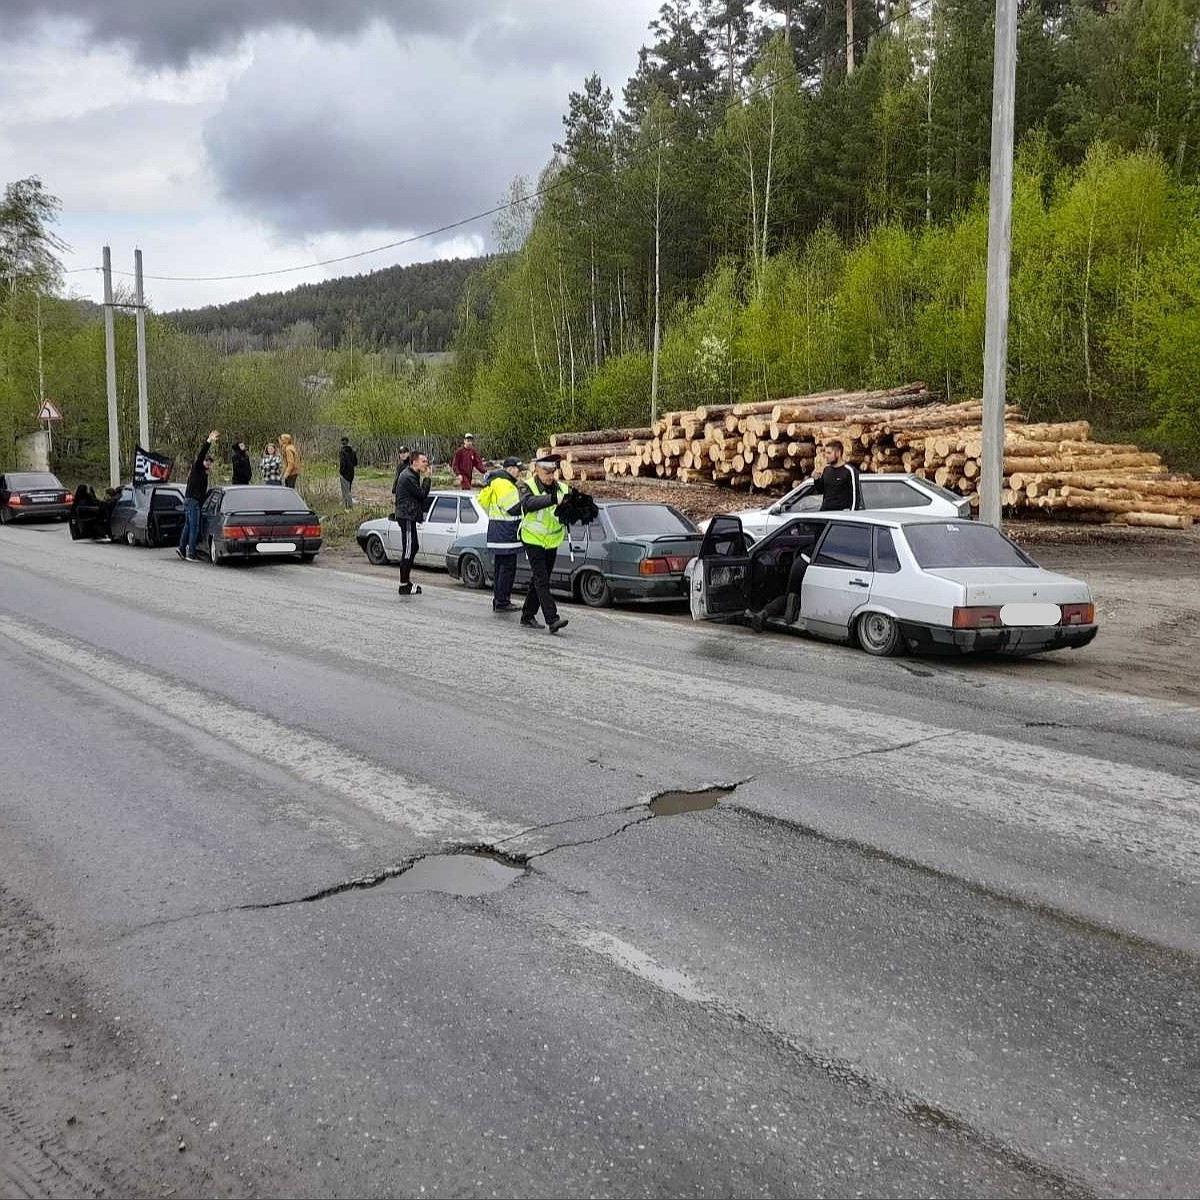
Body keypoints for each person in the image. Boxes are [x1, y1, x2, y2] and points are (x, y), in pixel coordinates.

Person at [516, 454, 569, 634]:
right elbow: (528, 504)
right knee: (542, 579)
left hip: (552, 540)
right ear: (536, 471)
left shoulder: (562, 487)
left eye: (553, 472)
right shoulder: (525, 485)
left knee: (538, 579)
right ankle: (552, 619)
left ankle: (527, 615)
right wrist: (554, 499)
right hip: (532, 539)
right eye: (546, 472)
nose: (550, 476)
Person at [745, 524, 820, 633]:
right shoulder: (837, 528)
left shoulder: (826, 521)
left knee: (789, 593)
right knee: (796, 593)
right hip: (812, 562)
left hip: (802, 560)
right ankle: (793, 606)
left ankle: (764, 613)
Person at [478, 457, 524, 612]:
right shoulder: (505, 484)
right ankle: (502, 601)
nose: (519, 473)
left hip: (498, 532)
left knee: (500, 568)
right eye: (519, 470)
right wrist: (527, 502)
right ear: (510, 469)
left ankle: (499, 600)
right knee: (507, 569)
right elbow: (514, 508)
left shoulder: (496, 482)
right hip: (506, 533)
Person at [392, 449, 431, 596]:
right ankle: (404, 585)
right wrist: (427, 479)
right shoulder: (408, 476)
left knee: (414, 546)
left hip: (410, 515)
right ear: (415, 462)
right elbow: (422, 494)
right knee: (408, 549)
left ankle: (407, 581)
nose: (426, 464)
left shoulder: (413, 474)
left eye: (426, 461)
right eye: (423, 461)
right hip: (406, 516)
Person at [177, 430, 218, 561]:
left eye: (209, 462)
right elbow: (201, 454)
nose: (208, 463)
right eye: (206, 461)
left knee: (188, 526)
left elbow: (203, 493)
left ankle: (182, 549)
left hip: (190, 500)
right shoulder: (198, 468)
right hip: (192, 501)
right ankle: (192, 553)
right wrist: (209, 440)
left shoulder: (203, 474)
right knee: (194, 527)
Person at [810, 440, 860, 511]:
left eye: (829, 453)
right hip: (825, 513)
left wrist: (851, 514)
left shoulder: (849, 470)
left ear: (838, 453)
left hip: (840, 515)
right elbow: (821, 490)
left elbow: (855, 496)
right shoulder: (826, 470)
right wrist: (816, 479)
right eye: (825, 453)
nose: (826, 456)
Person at [338, 436, 358, 508]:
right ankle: (348, 505)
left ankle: (348, 506)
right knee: (349, 489)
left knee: (345, 491)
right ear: (348, 442)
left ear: (342, 443)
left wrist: (341, 472)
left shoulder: (342, 452)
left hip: (344, 474)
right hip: (351, 473)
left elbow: (342, 463)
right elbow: (355, 463)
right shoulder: (352, 451)